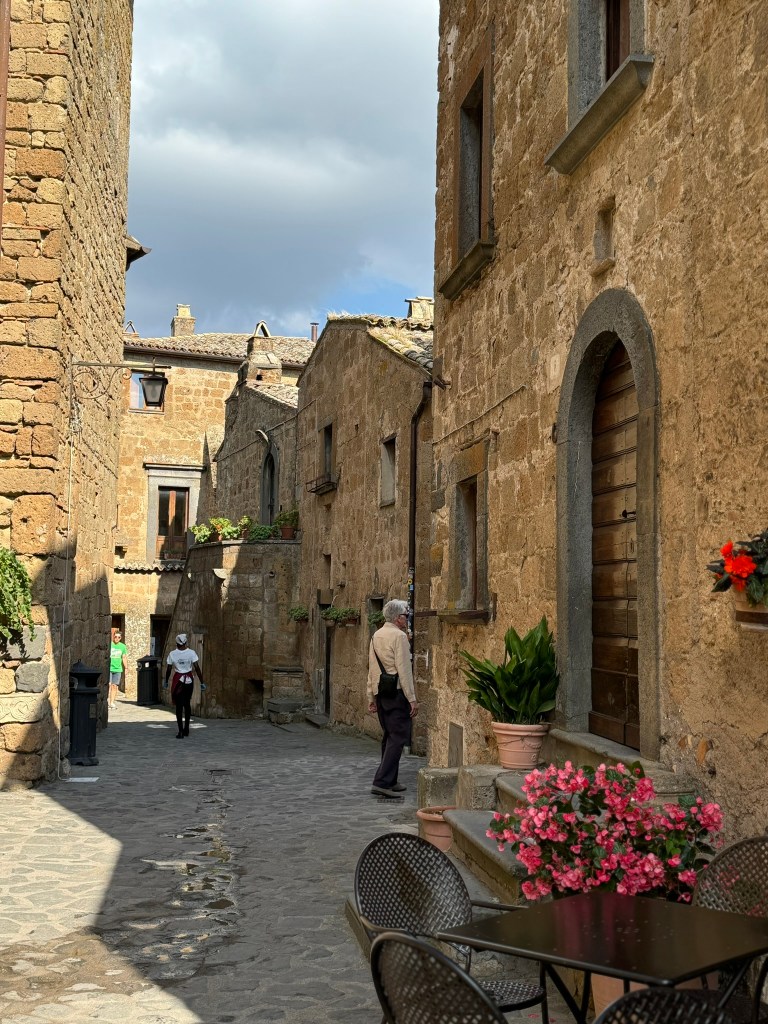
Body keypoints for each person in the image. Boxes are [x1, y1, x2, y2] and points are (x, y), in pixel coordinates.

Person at [367, 599, 418, 798]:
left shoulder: (376, 635)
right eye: (405, 615)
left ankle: (391, 780)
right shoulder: (399, 637)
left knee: (389, 736)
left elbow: (371, 668)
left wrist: (370, 696)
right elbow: (404, 670)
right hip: (396, 692)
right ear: (397, 618)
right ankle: (382, 782)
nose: (407, 618)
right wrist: (411, 698)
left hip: (381, 692)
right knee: (398, 737)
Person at [165, 633, 204, 739]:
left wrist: (166, 681)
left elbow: (169, 669)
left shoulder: (172, 654)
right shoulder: (191, 653)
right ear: (185, 642)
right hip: (189, 680)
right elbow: (197, 668)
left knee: (179, 705)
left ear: (176, 643)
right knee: (187, 704)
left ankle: (180, 731)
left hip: (178, 680)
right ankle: (187, 728)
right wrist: (202, 682)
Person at [108, 628, 127, 710]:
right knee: (108, 685)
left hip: (118, 669)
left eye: (118, 637)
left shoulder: (123, 646)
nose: (117, 638)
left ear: (120, 638)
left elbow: (124, 657)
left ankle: (112, 702)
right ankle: (106, 701)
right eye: (115, 637)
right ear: (113, 636)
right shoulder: (110, 645)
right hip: (109, 668)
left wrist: (126, 668)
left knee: (114, 686)